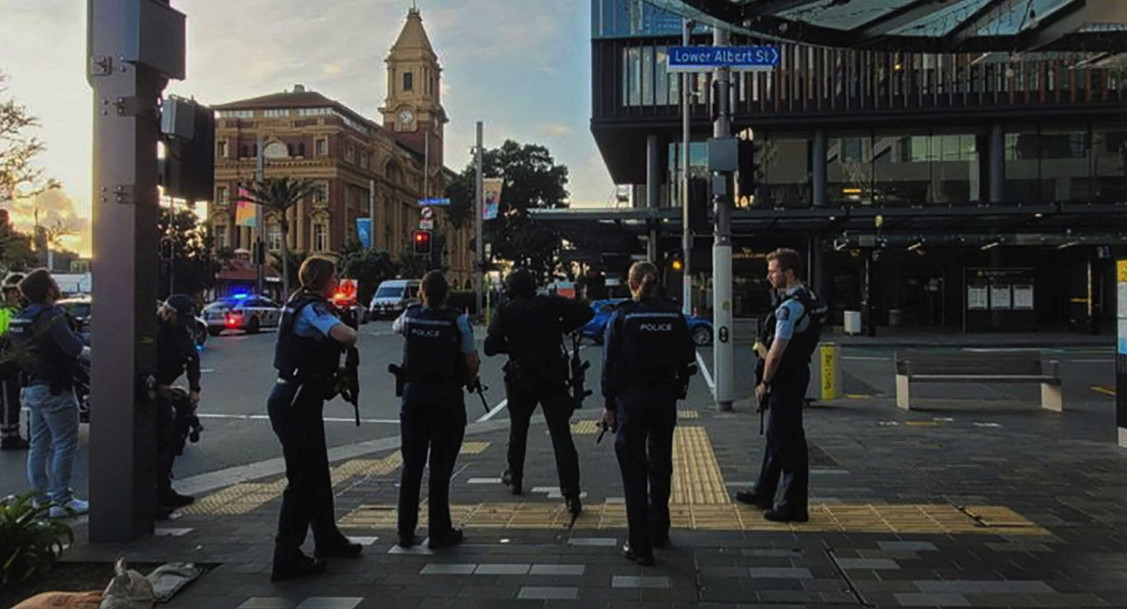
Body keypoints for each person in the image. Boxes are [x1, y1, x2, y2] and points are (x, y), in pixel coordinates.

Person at [267, 257, 362, 582]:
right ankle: (286, 557)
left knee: (317, 473)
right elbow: (345, 336)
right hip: (295, 400)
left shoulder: (299, 302)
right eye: (335, 276)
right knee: (303, 480)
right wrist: (350, 324)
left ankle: (327, 538)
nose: (338, 281)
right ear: (323, 279)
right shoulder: (312, 309)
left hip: (298, 398)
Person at [600, 261, 695, 566]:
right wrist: (676, 389)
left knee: (633, 470)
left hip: (632, 400)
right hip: (664, 399)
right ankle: (659, 529)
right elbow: (688, 359)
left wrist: (609, 404)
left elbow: (609, 365)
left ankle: (639, 545)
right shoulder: (673, 314)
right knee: (661, 463)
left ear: (632, 283)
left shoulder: (623, 316)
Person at [483, 268, 593, 517]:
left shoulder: (506, 311)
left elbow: (490, 346)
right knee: (561, 436)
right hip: (552, 376)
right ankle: (571, 494)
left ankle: (515, 477)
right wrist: (562, 327)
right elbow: (586, 311)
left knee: (518, 429)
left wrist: (511, 345)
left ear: (511, 289)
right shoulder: (549, 304)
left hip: (521, 376)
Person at [735, 247, 825, 523]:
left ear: (789, 273)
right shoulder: (810, 298)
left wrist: (765, 381)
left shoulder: (790, 306)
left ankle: (794, 505)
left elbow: (776, 352)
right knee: (777, 436)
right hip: (797, 373)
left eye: (773, 271)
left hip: (785, 377)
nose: (769, 276)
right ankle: (764, 491)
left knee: (788, 441)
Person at [394, 270, 479, 550]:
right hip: (446, 398)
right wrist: (468, 380)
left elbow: (398, 329)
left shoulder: (409, 316)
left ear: (421, 292)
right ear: (447, 293)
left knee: (412, 466)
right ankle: (439, 531)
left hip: (413, 396)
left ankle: (405, 531)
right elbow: (471, 360)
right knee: (441, 469)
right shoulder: (458, 320)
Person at [8, 269, 89, 517]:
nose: (56, 285)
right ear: (47, 289)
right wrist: (80, 337)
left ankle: (40, 499)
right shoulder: (50, 316)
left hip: (32, 386)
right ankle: (62, 499)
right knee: (65, 443)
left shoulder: (21, 318)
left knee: (38, 445)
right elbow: (72, 347)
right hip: (56, 387)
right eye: (53, 282)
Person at [153, 294, 201, 516]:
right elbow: (139, 362)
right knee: (157, 445)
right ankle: (153, 497)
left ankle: (164, 490)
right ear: (167, 312)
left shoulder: (181, 329)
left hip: (165, 388)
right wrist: (156, 386)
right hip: (149, 391)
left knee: (173, 439)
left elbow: (192, 356)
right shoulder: (152, 330)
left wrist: (194, 388)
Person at [0, 274, 28, 450]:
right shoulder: (4, 313)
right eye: (12, 292)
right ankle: (8, 437)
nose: (16, 295)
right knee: (7, 402)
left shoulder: (20, 311)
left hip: (16, 363)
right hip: (4, 365)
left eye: (18, 291)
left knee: (14, 401)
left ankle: (13, 433)